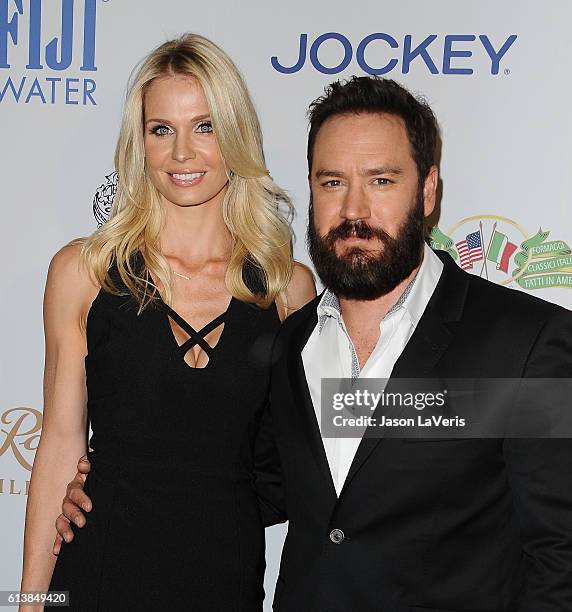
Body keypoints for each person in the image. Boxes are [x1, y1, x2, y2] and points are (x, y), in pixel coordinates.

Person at [57, 76, 572, 611]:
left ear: (428, 190)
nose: (354, 209)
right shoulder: (291, 343)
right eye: (332, 182)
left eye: (381, 181)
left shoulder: (525, 343)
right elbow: (248, 483)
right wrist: (114, 484)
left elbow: (560, 556)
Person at [20, 33, 314, 611]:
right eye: (162, 130)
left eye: (204, 127)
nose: (182, 153)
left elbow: (301, 461)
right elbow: (58, 445)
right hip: (102, 570)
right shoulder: (84, 272)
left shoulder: (286, 288)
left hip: (223, 576)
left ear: (235, 136)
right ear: (140, 144)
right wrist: (29, 601)